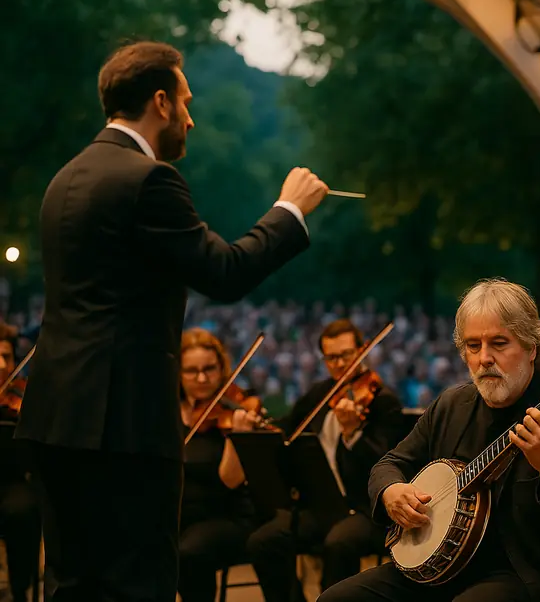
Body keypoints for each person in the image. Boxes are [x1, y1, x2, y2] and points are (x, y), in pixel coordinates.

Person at [14, 40, 330, 601]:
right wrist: (289, 210)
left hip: (54, 419)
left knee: (71, 585)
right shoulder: (148, 180)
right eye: (185, 101)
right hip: (124, 427)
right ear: (160, 102)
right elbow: (224, 274)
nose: (191, 116)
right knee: (140, 586)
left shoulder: (64, 180)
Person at [317, 278, 540, 602]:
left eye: (499, 343)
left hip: (529, 575)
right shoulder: (451, 405)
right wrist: (391, 491)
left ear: (532, 348)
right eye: (473, 346)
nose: (484, 358)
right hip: (444, 569)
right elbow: (389, 464)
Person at [246, 319, 405, 601]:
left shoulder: (383, 402)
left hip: (365, 509)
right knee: (265, 541)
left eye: (347, 355)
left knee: (339, 542)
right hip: (323, 505)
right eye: (331, 358)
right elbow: (286, 429)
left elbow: (384, 466)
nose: (340, 364)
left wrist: (353, 433)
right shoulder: (319, 394)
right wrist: (258, 424)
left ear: (363, 350)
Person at [176, 328, 259, 602]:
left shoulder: (233, 412)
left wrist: (238, 437)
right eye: (191, 371)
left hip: (225, 517)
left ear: (222, 368)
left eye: (209, 369)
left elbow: (230, 480)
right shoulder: (166, 411)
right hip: (179, 515)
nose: (201, 378)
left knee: (189, 551)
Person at [0, 336, 42, 602]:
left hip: (11, 481)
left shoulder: (20, 397)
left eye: (7, 357)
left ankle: (20, 589)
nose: (1, 364)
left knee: (23, 510)